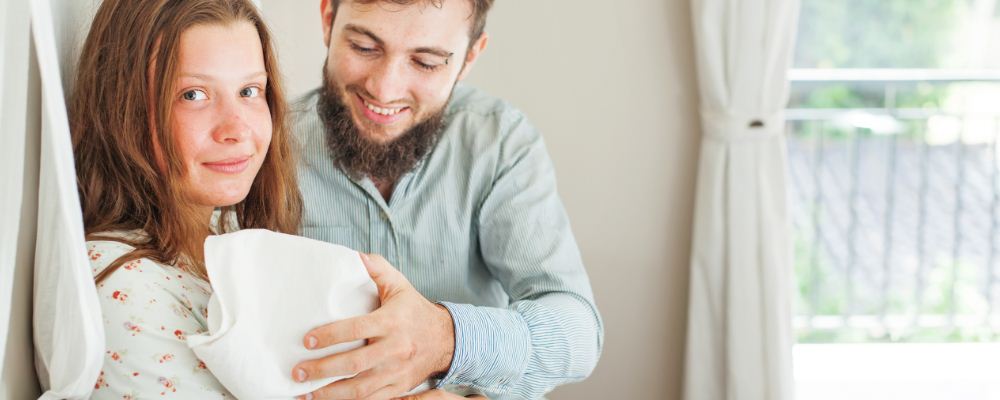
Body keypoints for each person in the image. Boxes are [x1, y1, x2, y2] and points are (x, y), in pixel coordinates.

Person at [290, 1, 604, 399]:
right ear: (328, 20)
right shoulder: (266, 147)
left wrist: (446, 338)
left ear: (470, 56)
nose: (385, 88)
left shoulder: (500, 143)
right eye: (364, 47)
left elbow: (578, 334)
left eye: (425, 63)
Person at [71, 0, 301, 397]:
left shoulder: (220, 234)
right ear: (125, 110)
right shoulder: (125, 289)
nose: (236, 129)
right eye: (193, 95)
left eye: (249, 91)